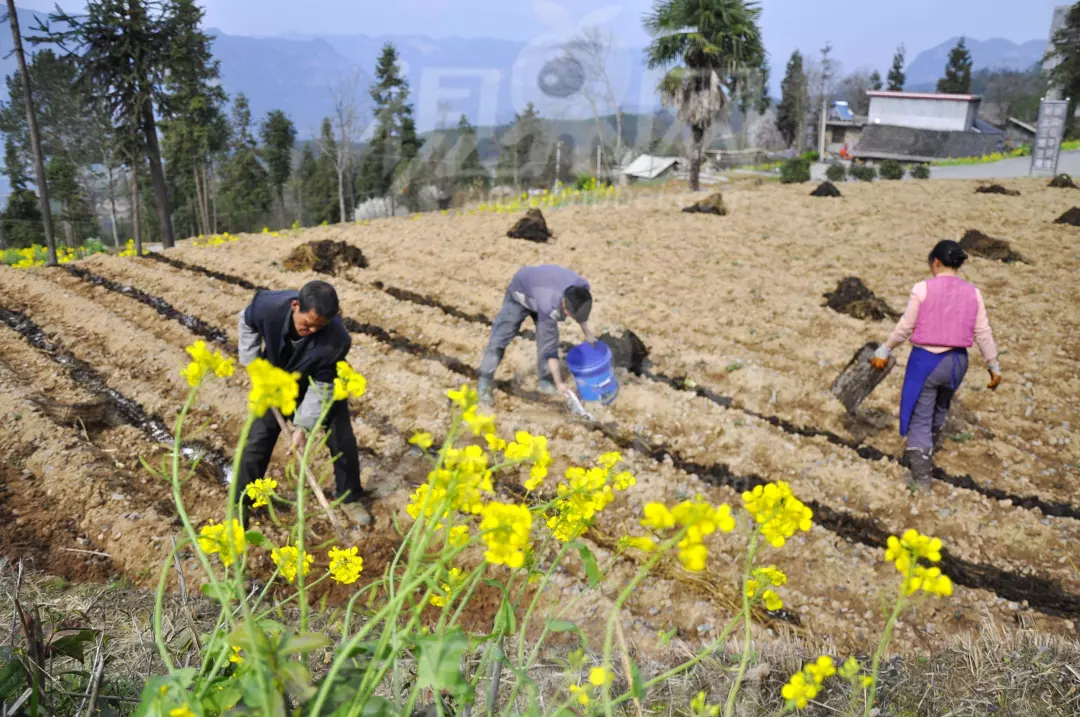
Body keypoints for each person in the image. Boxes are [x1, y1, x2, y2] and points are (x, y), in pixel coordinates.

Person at [237, 280, 370, 525]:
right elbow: (247, 322)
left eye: (319, 328)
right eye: (307, 325)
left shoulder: (336, 340)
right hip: (277, 375)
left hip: (319, 379)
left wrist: (303, 426)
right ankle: (241, 501)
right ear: (295, 306)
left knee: (341, 437)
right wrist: (254, 364)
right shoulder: (267, 306)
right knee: (258, 437)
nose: (312, 332)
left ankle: (349, 497)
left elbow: (323, 385)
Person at [871, 240, 1002, 486]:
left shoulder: (922, 289)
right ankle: (926, 448)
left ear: (936, 263)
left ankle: (920, 480)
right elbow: (983, 331)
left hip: (928, 361)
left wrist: (885, 348)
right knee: (940, 408)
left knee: (920, 415)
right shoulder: (973, 292)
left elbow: (906, 327)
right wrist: (993, 364)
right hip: (957, 363)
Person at [478, 264, 596, 404]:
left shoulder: (581, 288)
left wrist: (588, 334)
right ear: (564, 306)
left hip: (541, 286)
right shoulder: (549, 305)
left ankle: (544, 381)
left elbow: (580, 310)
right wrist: (559, 383)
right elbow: (550, 350)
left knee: (544, 338)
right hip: (522, 291)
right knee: (501, 337)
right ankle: (484, 382)